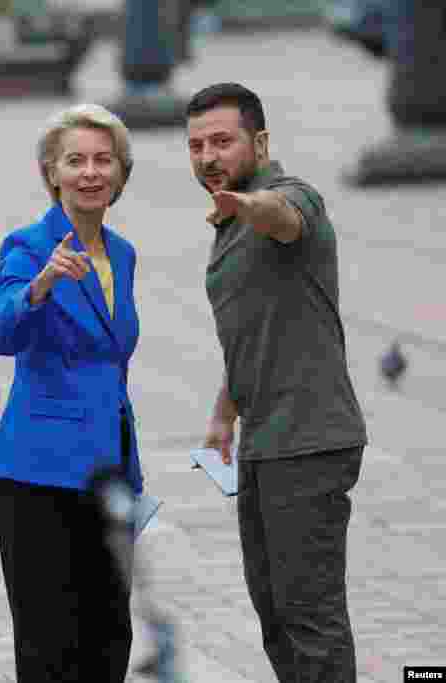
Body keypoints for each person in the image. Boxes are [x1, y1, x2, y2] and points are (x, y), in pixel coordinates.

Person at [187, 82, 368, 683]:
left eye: (222, 142)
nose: (209, 157)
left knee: (309, 618)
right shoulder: (229, 221)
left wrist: (245, 203)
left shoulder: (290, 198)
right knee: (276, 615)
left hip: (311, 441)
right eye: (196, 146)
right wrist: (224, 413)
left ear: (259, 142)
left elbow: (286, 220)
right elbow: (254, 330)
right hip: (267, 444)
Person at [0, 103, 144, 682]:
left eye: (104, 160)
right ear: (52, 173)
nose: (91, 172)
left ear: (120, 174)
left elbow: (113, 366)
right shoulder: (27, 247)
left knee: (110, 637)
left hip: (109, 472)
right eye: (75, 160)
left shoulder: (122, 255)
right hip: (40, 475)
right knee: (50, 645)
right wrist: (42, 285)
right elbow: (1, 332)